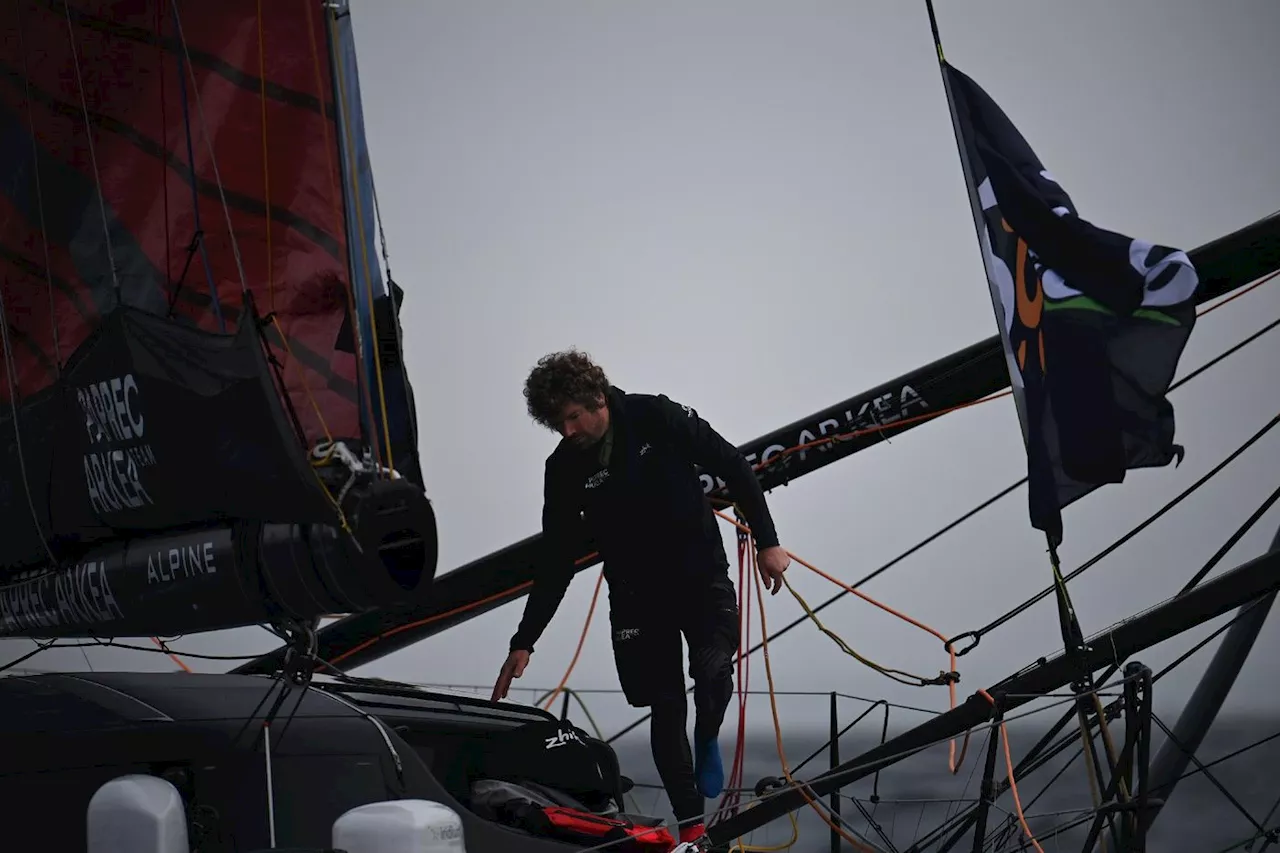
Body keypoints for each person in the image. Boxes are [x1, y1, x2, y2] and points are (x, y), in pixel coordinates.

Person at [491, 349, 791, 844]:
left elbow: (734, 465)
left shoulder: (655, 415)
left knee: (713, 669)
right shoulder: (563, 467)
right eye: (556, 423)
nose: (567, 431)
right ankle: (692, 829)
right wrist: (525, 640)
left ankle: (710, 735)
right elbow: (557, 560)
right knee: (666, 703)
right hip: (635, 595)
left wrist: (767, 542)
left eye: (572, 417)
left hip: (698, 575)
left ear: (597, 398)